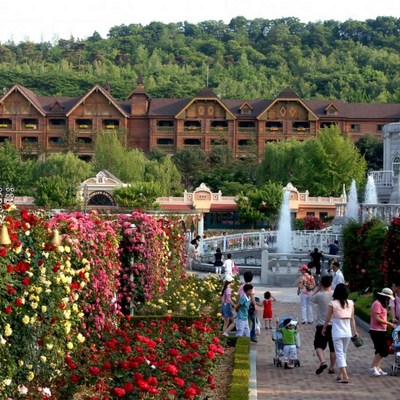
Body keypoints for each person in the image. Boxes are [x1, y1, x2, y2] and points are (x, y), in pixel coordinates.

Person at [322, 283, 359, 383]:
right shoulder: (350, 303)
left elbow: (328, 318)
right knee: (343, 353)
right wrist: (354, 331)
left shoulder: (333, 303)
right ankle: (341, 374)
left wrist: (324, 328)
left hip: (337, 332)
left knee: (339, 354)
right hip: (347, 332)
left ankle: (345, 376)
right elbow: (352, 319)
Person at [311, 275, 336, 375]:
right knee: (333, 348)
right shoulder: (335, 295)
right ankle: (332, 367)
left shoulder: (319, 295)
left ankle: (323, 361)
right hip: (334, 325)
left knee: (318, 345)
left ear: (321, 284)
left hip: (321, 325)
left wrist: (317, 288)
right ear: (331, 283)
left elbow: (311, 298)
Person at [369, 287, 397, 376]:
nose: (389, 299)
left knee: (380, 349)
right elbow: (377, 319)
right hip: (376, 330)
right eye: (388, 297)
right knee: (382, 350)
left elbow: (381, 317)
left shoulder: (381, 304)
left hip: (381, 330)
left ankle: (377, 367)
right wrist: (389, 323)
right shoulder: (377, 304)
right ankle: (373, 367)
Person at [238, 271, 260, 342]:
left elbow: (238, 296)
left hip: (242, 306)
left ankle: (244, 335)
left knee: (244, 320)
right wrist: (255, 305)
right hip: (249, 305)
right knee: (254, 320)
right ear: (252, 278)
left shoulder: (241, 286)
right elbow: (252, 296)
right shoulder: (250, 287)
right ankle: (252, 336)